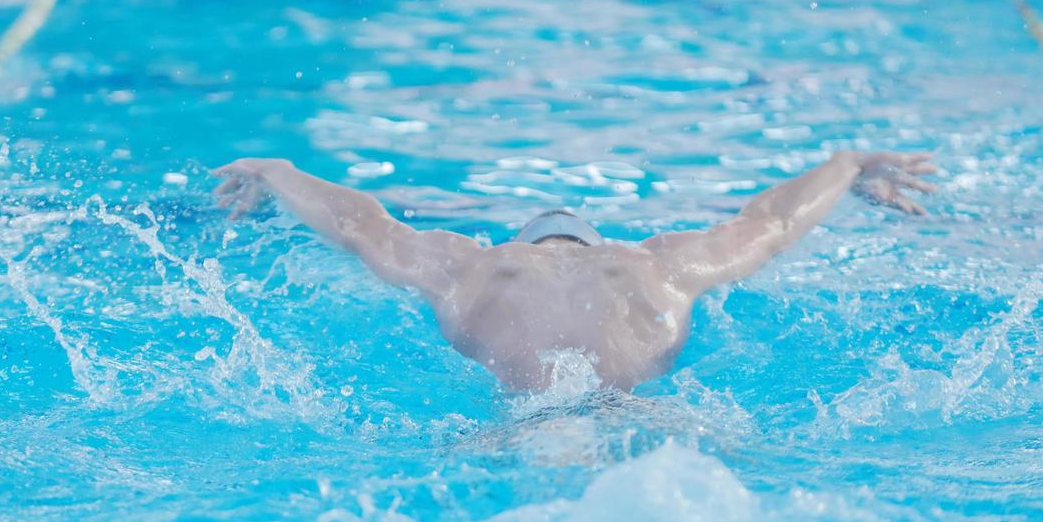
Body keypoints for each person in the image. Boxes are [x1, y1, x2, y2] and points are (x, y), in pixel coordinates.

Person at [212, 151, 939, 391]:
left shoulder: (467, 264)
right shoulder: (659, 264)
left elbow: (356, 222)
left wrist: (277, 170)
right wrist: (846, 166)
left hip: (520, 422)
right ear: (593, 245)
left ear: (528, 241)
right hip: (648, 416)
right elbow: (770, 224)